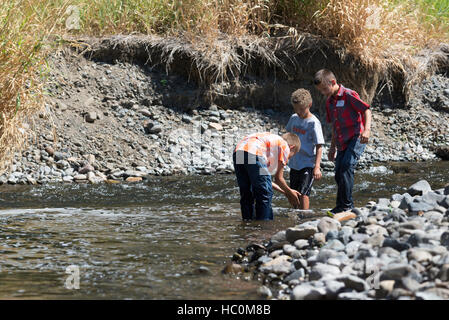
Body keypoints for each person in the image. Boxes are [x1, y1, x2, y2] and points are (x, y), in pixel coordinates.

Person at [313, 69, 372, 214]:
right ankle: (341, 205)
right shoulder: (329, 103)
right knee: (338, 172)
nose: (323, 93)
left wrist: (367, 130)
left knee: (346, 166)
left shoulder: (348, 95)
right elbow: (334, 126)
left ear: (333, 82)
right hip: (341, 142)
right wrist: (332, 148)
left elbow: (366, 110)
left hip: (356, 137)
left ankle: (346, 205)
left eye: (324, 89)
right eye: (320, 91)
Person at [233, 132, 301, 220]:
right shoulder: (285, 146)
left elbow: (266, 179)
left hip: (239, 151)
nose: (288, 159)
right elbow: (278, 179)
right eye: (291, 156)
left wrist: (286, 192)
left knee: (247, 193)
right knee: (265, 194)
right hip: (254, 152)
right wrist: (290, 193)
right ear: (292, 147)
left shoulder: (270, 147)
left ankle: (247, 222)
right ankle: (264, 225)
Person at [286, 88, 325, 210]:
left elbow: (319, 145)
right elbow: (288, 136)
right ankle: (295, 213)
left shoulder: (313, 122)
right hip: (294, 163)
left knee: (304, 193)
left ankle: (304, 217)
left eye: (301, 109)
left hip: (308, 164)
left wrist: (317, 167)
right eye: (296, 109)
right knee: (293, 192)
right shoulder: (294, 118)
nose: (298, 112)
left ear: (309, 105)